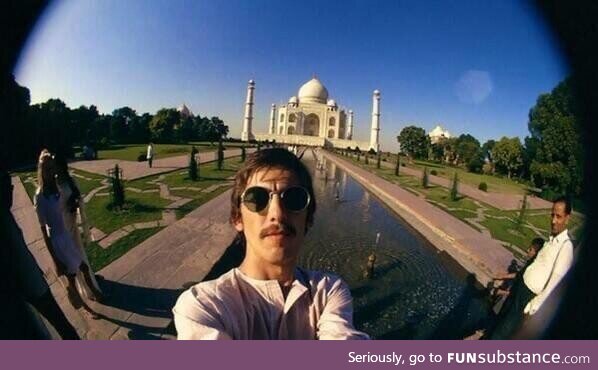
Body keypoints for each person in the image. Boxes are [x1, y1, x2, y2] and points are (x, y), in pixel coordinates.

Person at [173, 148, 369, 339]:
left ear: (308, 218)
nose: (277, 214)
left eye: (294, 199)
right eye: (257, 199)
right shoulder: (206, 306)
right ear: (237, 218)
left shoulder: (327, 292)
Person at [1, 166, 80, 339]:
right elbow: (43, 228)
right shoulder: (38, 196)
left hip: (27, 270)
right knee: (58, 328)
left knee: (62, 328)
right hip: (21, 277)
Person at [488, 197, 574, 339]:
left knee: (501, 334)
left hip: (527, 298)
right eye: (552, 215)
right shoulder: (552, 239)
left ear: (567, 218)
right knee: (499, 323)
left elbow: (554, 285)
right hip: (519, 290)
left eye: (558, 217)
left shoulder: (565, 247)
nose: (553, 221)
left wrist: (532, 307)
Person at [33, 150, 98, 320]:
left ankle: (96, 293)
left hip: (67, 236)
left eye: (52, 168)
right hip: (57, 240)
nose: (51, 172)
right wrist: (55, 259)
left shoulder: (56, 189)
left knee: (83, 267)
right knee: (71, 278)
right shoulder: (40, 197)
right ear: (41, 170)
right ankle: (85, 309)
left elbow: (65, 206)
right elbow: (43, 231)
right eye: (47, 169)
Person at [54, 154, 104, 302]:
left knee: (81, 254)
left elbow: (78, 197)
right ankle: (85, 289)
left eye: (59, 165)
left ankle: (91, 282)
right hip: (62, 227)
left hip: (73, 223)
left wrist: (75, 202)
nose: (57, 169)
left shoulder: (70, 181)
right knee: (73, 260)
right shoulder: (53, 185)